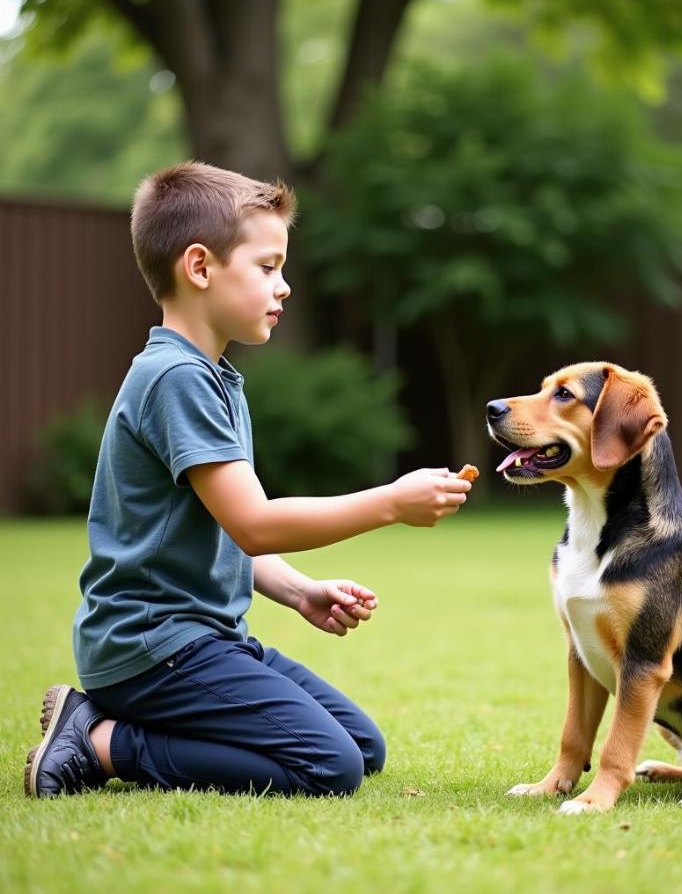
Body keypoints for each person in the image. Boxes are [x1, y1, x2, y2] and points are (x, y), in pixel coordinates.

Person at [24, 162, 472, 799]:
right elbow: (255, 523)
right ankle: (100, 744)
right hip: (155, 648)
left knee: (361, 746)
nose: (284, 286)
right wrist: (391, 503)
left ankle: (117, 726)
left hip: (202, 640)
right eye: (267, 267)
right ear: (201, 267)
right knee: (329, 767)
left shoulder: (210, 377)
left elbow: (222, 532)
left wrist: (298, 591)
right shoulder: (175, 379)